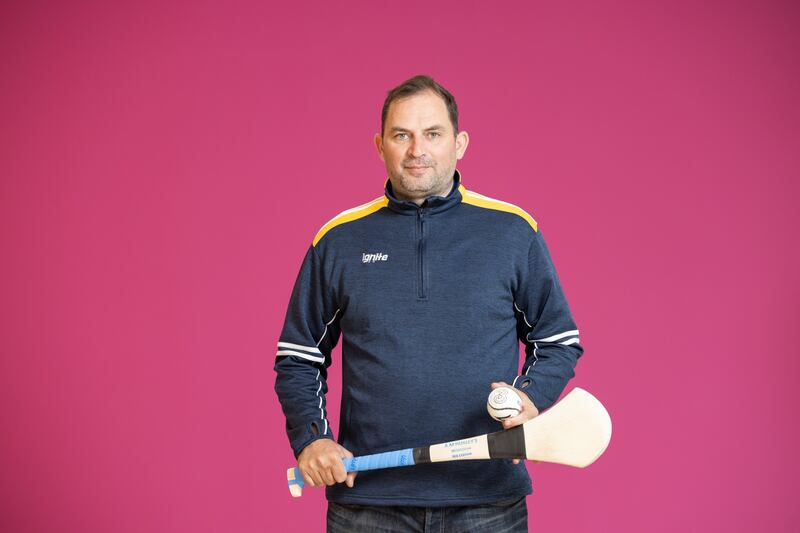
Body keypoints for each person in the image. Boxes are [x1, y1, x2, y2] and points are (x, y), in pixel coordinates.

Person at [274, 75, 583, 532]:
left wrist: (530, 396)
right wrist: (312, 440)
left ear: (460, 143)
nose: (417, 149)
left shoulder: (512, 232)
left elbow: (558, 340)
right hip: (368, 503)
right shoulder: (338, 240)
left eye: (433, 134)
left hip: (487, 500)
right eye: (402, 135)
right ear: (380, 145)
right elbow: (299, 358)